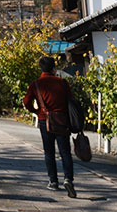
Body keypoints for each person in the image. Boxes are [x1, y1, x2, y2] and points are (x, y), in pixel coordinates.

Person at [24, 56, 77, 198]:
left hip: (44, 120)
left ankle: (53, 181)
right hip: (62, 120)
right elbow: (71, 100)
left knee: (49, 152)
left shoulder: (35, 84)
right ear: (53, 68)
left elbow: (27, 102)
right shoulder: (63, 83)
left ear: (41, 68)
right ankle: (68, 179)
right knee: (65, 152)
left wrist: (36, 112)